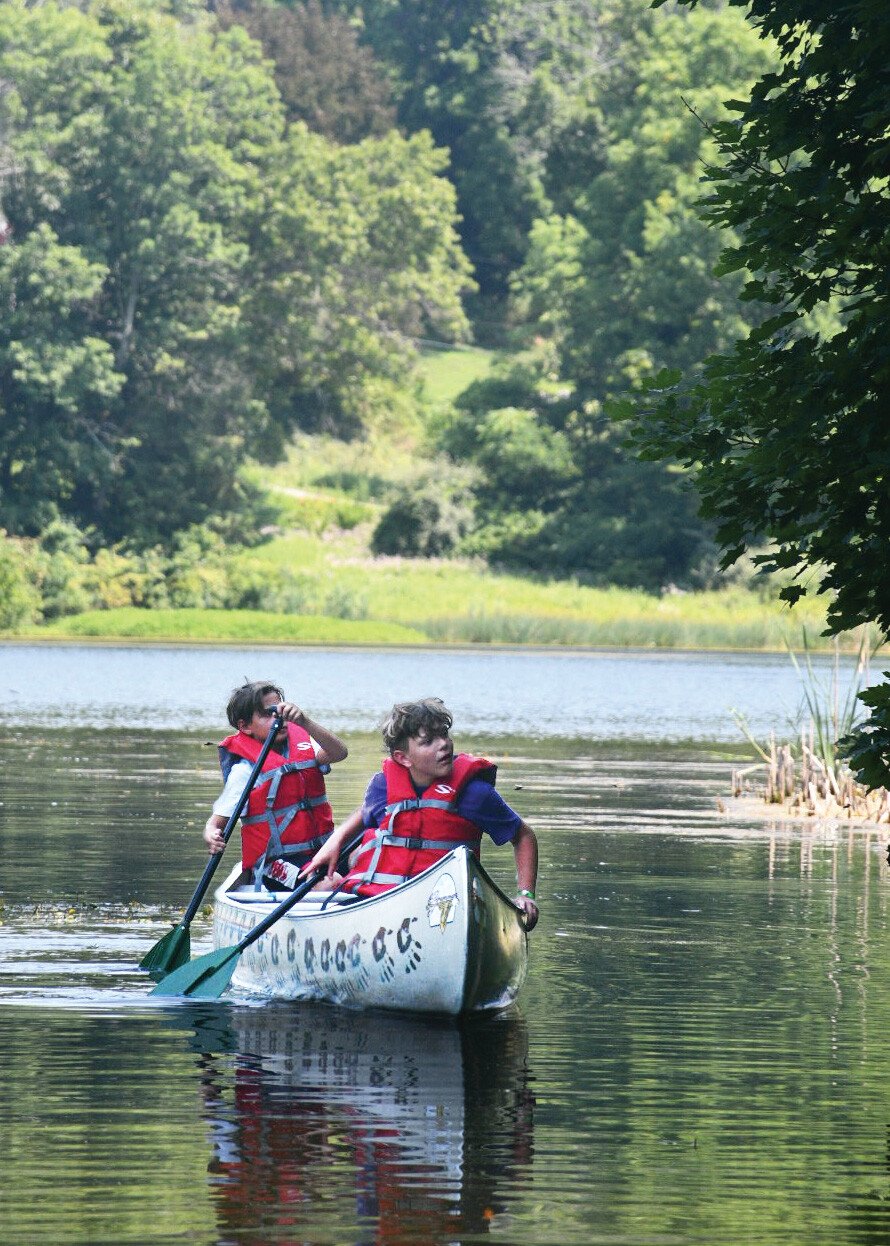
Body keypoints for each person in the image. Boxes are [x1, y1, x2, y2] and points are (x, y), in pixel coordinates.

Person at [302, 697, 539, 930]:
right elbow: (366, 813)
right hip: (376, 899)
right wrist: (336, 840)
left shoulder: (475, 794)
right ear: (402, 758)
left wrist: (525, 894)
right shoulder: (383, 787)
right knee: (322, 887)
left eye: (444, 734)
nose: (443, 744)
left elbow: (523, 836)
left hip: (442, 909)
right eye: (428, 742)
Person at [203, 680, 348, 889]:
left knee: (365, 852)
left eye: (279, 711)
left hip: (322, 849)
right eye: (266, 714)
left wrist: (305, 722)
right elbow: (216, 824)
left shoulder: (305, 744)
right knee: (330, 884)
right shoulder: (244, 772)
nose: (277, 719)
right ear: (245, 726)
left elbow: (339, 753)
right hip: (275, 863)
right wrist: (211, 834)